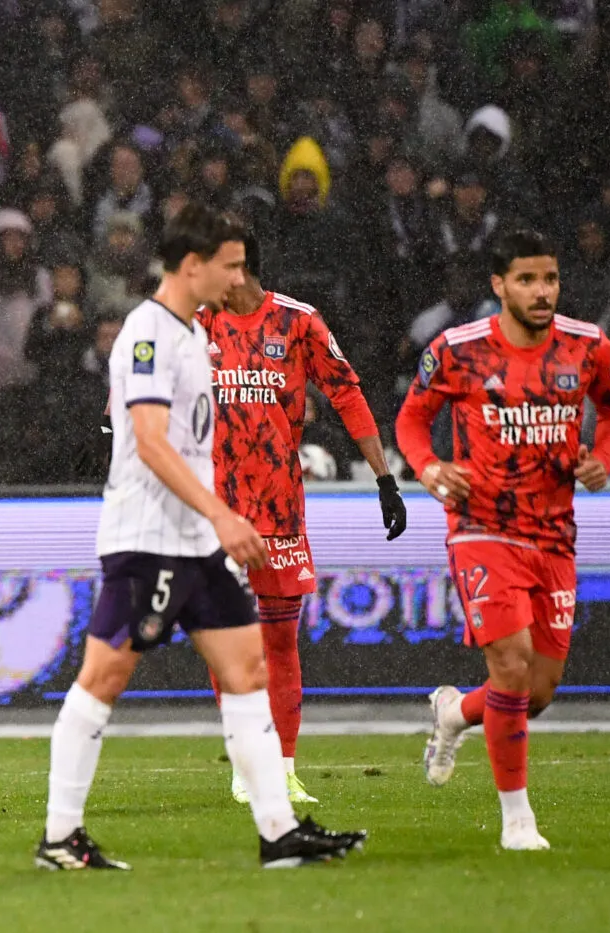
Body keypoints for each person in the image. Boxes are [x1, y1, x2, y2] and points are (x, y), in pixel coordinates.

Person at [35, 205, 366, 872]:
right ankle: (59, 836)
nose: (241, 277)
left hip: (195, 539)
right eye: (232, 264)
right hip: (151, 538)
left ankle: (277, 831)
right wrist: (221, 512)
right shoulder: (150, 334)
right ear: (194, 266)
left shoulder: (192, 335)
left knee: (248, 670)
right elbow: (154, 444)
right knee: (103, 676)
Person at [396, 230, 610, 851]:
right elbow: (412, 419)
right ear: (499, 285)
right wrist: (428, 469)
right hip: (482, 527)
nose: (542, 291)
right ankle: (517, 823)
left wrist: (603, 457)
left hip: (554, 534)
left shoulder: (587, 346)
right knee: (510, 663)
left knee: (537, 693)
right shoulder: (457, 350)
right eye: (527, 280)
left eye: (549, 279)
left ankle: (454, 713)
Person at [200, 230, 407, 805]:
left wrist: (384, 479)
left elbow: (346, 392)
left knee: (281, 641)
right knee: (230, 643)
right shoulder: (196, 323)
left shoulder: (297, 322)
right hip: (218, 512)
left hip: (281, 510)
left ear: (238, 271)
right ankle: (246, 766)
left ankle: (284, 768)